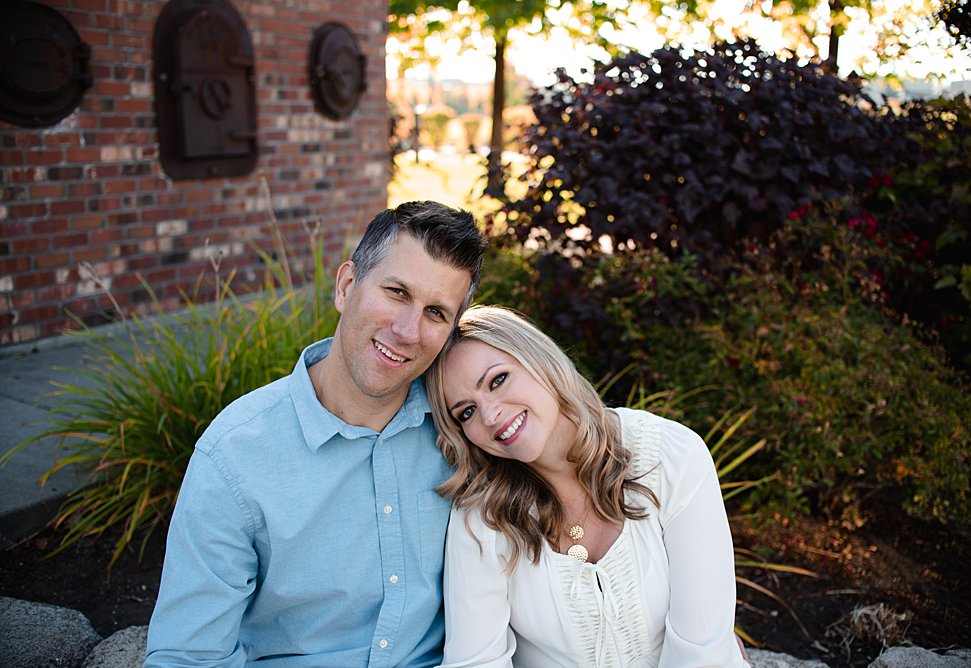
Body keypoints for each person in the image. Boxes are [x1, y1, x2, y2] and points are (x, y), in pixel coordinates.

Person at [144, 201, 489, 667]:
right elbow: (188, 656)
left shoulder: (466, 427)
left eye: (435, 312)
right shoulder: (235, 456)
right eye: (396, 292)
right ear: (347, 286)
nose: (408, 331)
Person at [425, 305, 751, 668]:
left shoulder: (671, 457)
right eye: (466, 412)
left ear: (539, 359)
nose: (489, 415)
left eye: (497, 380)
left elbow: (702, 653)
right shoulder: (482, 519)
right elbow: (476, 662)